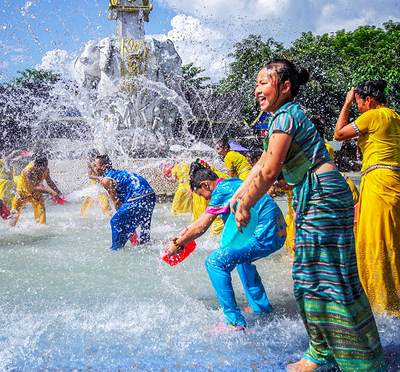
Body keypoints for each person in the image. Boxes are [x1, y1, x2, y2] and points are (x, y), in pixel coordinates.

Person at [232, 59, 386, 372]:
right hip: (319, 193)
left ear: (284, 86)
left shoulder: (286, 116)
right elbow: (262, 163)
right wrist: (239, 193)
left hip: (322, 195)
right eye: (257, 84)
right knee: (320, 275)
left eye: (264, 83)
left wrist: (247, 204)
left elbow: (272, 170)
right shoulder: (283, 116)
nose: (257, 89)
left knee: (320, 276)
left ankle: (343, 356)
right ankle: (331, 349)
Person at [165, 160, 286, 330]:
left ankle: (234, 322)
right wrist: (183, 235)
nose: (204, 199)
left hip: (265, 234)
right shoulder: (232, 183)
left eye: (201, 194)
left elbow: (202, 227)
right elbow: (200, 221)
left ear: (205, 184)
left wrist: (177, 245)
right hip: (278, 232)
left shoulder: (220, 191)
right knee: (241, 259)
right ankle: (261, 308)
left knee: (215, 262)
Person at [333, 80, 400, 317]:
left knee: (375, 240)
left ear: (368, 100)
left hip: (379, 181)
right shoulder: (397, 118)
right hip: (395, 181)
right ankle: (398, 299)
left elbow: (338, 134)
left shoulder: (374, 115)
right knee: (393, 241)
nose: (357, 107)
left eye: (358, 102)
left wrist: (346, 104)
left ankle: (380, 302)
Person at [93, 155, 155, 250]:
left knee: (115, 221)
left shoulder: (106, 180)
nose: (94, 168)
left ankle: (116, 249)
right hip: (150, 194)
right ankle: (145, 244)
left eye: (95, 166)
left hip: (139, 195)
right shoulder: (118, 173)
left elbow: (117, 202)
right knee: (144, 222)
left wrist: (122, 219)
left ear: (103, 167)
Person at [10, 155, 62, 226]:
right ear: (36, 166)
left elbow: (49, 181)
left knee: (42, 217)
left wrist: (58, 191)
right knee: (13, 216)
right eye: (42, 168)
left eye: (45, 167)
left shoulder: (46, 169)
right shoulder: (28, 171)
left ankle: (42, 230)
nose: (44, 169)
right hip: (22, 193)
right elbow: (34, 187)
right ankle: (10, 228)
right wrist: (51, 192)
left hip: (36, 194)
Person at [191, 159, 227, 236]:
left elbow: (200, 217)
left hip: (215, 218)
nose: (206, 198)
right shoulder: (221, 178)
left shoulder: (204, 187)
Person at [80, 150, 111, 217]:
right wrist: (99, 178)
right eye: (89, 158)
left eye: (91, 158)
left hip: (102, 187)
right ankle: (81, 216)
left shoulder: (102, 163)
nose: (89, 159)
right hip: (95, 186)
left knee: (104, 202)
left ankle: (109, 216)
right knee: (86, 200)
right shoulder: (89, 163)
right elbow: (90, 175)